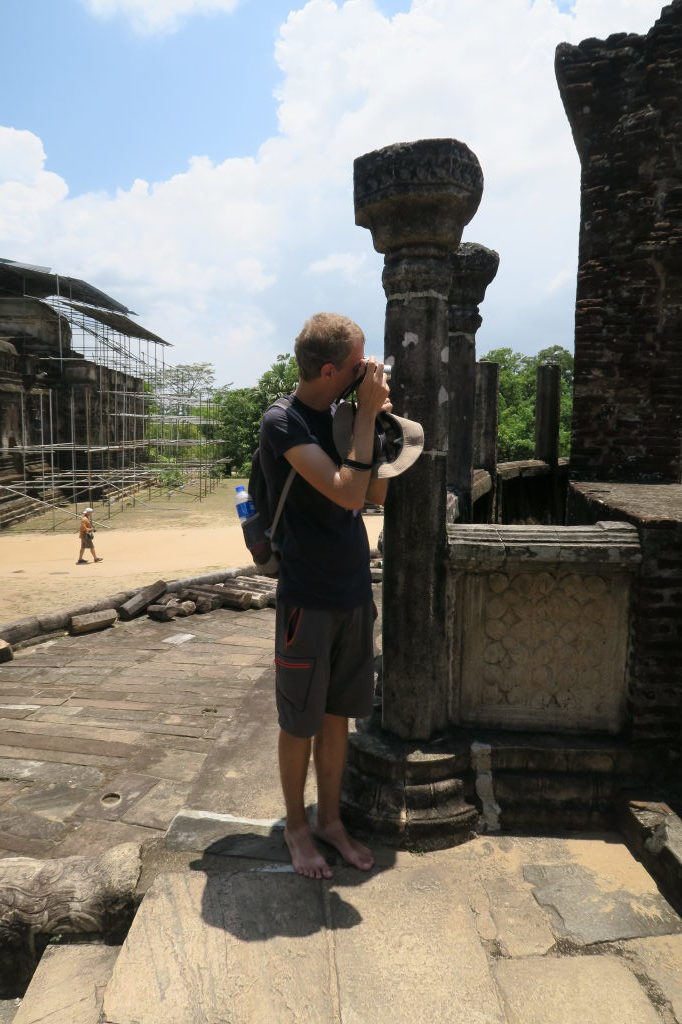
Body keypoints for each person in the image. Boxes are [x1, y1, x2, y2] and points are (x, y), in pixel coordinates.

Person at [259, 312, 391, 879]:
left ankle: (330, 819)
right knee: (300, 721)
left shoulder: (346, 418)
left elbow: (376, 492)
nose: (369, 371)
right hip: (308, 594)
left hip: (353, 588)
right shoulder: (283, 422)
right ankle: (296, 826)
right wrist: (365, 418)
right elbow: (346, 493)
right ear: (332, 370)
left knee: (338, 717)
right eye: (360, 364)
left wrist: (377, 423)